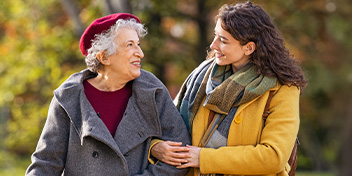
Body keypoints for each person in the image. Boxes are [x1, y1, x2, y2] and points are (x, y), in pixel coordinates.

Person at [150, 1, 307, 176]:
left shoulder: (282, 89)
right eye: (215, 36)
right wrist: (156, 147)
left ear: (249, 48)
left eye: (223, 40)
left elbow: (274, 157)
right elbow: (165, 126)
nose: (213, 45)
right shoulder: (200, 78)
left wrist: (204, 158)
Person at [25, 13, 190, 176]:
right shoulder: (69, 99)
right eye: (130, 45)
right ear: (104, 57)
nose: (140, 53)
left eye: (138, 44)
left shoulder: (152, 91)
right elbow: (46, 164)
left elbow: (180, 152)